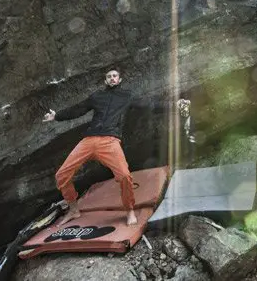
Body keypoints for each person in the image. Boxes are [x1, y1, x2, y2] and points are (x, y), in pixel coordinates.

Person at [43, 68, 189, 226]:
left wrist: (175, 104)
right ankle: (73, 209)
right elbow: (77, 109)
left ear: (119, 80)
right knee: (62, 175)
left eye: (115, 76)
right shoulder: (96, 96)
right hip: (89, 140)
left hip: (110, 141)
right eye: (109, 76)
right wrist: (56, 116)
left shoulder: (127, 96)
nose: (112, 78)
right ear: (105, 80)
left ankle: (130, 210)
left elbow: (150, 104)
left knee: (125, 176)